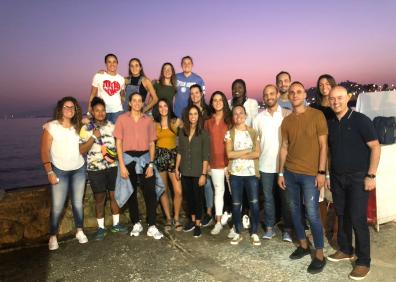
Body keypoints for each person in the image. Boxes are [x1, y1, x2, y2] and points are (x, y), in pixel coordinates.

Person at [326, 86, 381, 281]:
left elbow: (375, 147)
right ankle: (346, 249)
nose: (335, 102)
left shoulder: (360, 120)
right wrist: (328, 176)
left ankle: (364, 262)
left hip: (359, 178)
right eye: (332, 99)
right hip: (338, 177)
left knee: (358, 219)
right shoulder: (331, 123)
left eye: (339, 98)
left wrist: (371, 175)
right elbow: (331, 153)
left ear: (348, 98)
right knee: (342, 215)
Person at [278, 81, 328, 274]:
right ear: (289, 96)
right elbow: (284, 147)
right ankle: (303, 246)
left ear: (305, 94)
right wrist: (281, 172)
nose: (295, 94)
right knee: (293, 211)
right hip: (290, 172)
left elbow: (324, 146)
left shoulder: (317, 115)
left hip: (310, 175)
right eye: (292, 92)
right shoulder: (287, 121)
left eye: (299, 91)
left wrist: (322, 172)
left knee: (313, 214)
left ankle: (320, 255)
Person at [114, 92, 163, 240]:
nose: (136, 103)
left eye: (139, 101)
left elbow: (152, 143)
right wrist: (121, 165)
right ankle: (136, 223)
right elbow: (118, 143)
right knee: (131, 193)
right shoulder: (121, 119)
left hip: (145, 159)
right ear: (129, 103)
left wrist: (151, 164)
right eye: (134, 100)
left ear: (143, 104)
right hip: (128, 160)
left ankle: (152, 225)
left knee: (150, 191)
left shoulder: (148, 121)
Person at [40, 97, 88, 250]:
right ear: (60, 108)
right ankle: (53, 236)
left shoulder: (78, 126)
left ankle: (79, 230)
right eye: (66, 107)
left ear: (76, 110)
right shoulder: (51, 127)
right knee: (58, 206)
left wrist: (88, 122)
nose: (69, 109)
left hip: (78, 169)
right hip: (59, 170)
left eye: (72, 107)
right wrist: (49, 172)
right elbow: (44, 151)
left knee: (78, 203)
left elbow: (91, 125)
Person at [79, 97, 128, 240]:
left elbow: (120, 146)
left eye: (102, 110)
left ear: (106, 112)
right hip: (95, 169)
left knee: (114, 196)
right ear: (92, 112)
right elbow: (81, 150)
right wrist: (93, 137)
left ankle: (116, 224)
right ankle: (101, 228)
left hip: (112, 167)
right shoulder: (86, 128)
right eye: (97, 110)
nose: (100, 113)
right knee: (99, 199)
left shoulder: (113, 126)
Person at [252, 84, 293, 242]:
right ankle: (269, 227)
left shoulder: (286, 115)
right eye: (266, 94)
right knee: (268, 198)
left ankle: (287, 229)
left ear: (277, 95)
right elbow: (256, 143)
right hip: (265, 166)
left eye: (271, 93)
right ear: (263, 98)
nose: (269, 97)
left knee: (286, 199)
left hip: (285, 165)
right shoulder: (258, 118)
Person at [225, 105, 261, 246]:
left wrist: (238, 153)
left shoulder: (253, 133)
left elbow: (257, 153)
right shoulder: (229, 134)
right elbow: (229, 154)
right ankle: (238, 231)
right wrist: (247, 151)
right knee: (236, 204)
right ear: (232, 117)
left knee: (254, 203)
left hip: (251, 173)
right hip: (235, 174)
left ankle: (254, 232)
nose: (238, 116)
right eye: (235, 113)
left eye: (241, 113)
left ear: (246, 115)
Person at [228, 78, 258, 232]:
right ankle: (237, 218)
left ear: (245, 89)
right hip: (234, 144)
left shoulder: (252, 103)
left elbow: (254, 122)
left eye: (240, 87)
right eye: (234, 87)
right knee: (236, 185)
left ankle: (248, 216)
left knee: (250, 186)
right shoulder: (229, 103)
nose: (237, 90)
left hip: (250, 144)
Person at [310, 74, 337, 244]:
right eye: (321, 84)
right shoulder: (314, 108)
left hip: (335, 153)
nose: (324, 86)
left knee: (334, 194)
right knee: (318, 193)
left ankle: (336, 233)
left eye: (327, 83)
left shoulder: (338, 106)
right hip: (319, 153)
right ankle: (321, 228)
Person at [175, 105, 209, 238]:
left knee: (198, 199)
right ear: (187, 116)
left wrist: (203, 174)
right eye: (190, 114)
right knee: (189, 198)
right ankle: (193, 221)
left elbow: (206, 156)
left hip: (197, 172)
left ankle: (198, 225)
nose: (193, 116)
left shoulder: (204, 134)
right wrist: (177, 168)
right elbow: (180, 152)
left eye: (195, 114)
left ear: (199, 116)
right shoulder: (182, 132)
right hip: (185, 171)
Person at [152, 98, 183, 231]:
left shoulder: (176, 122)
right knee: (163, 190)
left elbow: (186, 137)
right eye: (160, 106)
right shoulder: (155, 124)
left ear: (169, 107)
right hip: (159, 158)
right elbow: (151, 143)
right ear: (158, 109)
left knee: (178, 191)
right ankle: (169, 219)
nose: (163, 108)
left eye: (165, 106)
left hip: (173, 158)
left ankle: (176, 218)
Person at [204, 91, 232, 235]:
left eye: (220, 99)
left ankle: (236, 224)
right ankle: (218, 222)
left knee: (234, 194)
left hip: (230, 162)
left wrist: (232, 162)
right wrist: (207, 163)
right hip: (214, 163)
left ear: (224, 102)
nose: (217, 102)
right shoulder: (208, 122)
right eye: (214, 100)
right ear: (212, 103)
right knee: (218, 192)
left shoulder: (230, 120)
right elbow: (205, 144)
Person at [187, 84, 213, 226]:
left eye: (197, 92)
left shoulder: (208, 111)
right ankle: (198, 213)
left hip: (206, 150)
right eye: (192, 93)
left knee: (207, 183)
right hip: (194, 154)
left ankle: (208, 213)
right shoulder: (189, 111)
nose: (195, 95)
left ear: (201, 94)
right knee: (195, 185)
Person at [89, 54, 125, 124]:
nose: (112, 64)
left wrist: (122, 102)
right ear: (106, 63)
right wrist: (89, 111)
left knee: (116, 134)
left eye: (114, 62)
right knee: (103, 133)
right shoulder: (99, 76)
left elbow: (122, 94)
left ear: (117, 63)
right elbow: (93, 94)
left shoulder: (121, 79)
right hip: (102, 111)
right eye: (109, 62)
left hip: (118, 111)